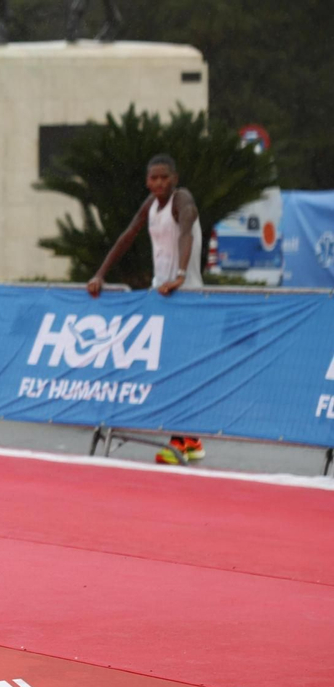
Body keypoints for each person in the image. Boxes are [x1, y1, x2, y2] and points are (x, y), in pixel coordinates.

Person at [86, 152, 205, 464]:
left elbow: (187, 232)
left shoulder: (182, 200)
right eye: (154, 178)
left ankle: (185, 441)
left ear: (175, 179)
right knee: (166, 369)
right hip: (161, 297)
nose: (159, 183)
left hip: (185, 296)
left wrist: (180, 275)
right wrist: (100, 274)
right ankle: (187, 438)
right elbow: (127, 238)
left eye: (165, 177)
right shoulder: (150, 206)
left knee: (180, 370)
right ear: (147, 181)